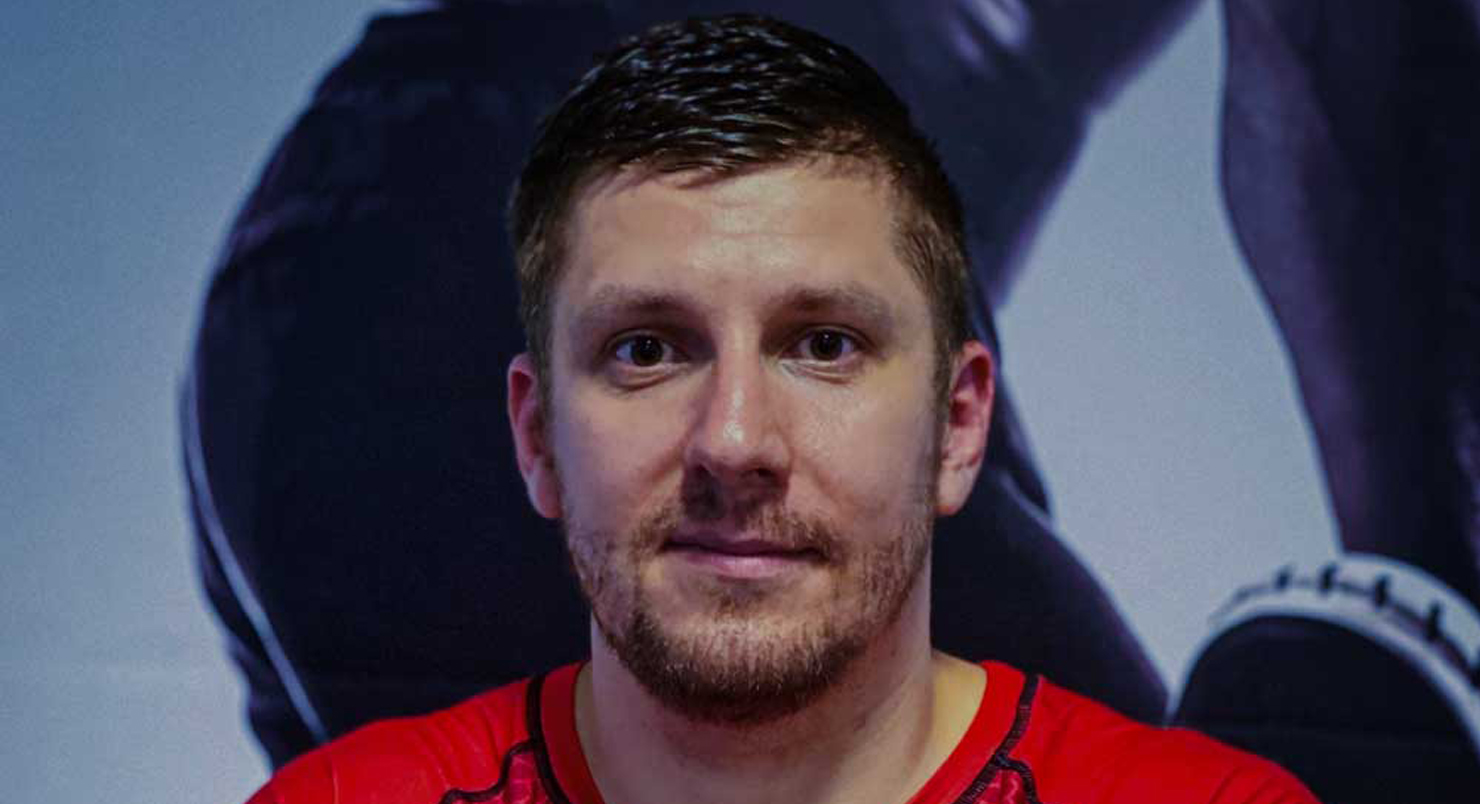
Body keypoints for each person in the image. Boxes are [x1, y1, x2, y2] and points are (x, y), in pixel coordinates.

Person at [244, 15, 1316, 803]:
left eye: (823, 346)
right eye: (648, 350)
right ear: (534, 438)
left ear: (960, 426)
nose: (734, 440)